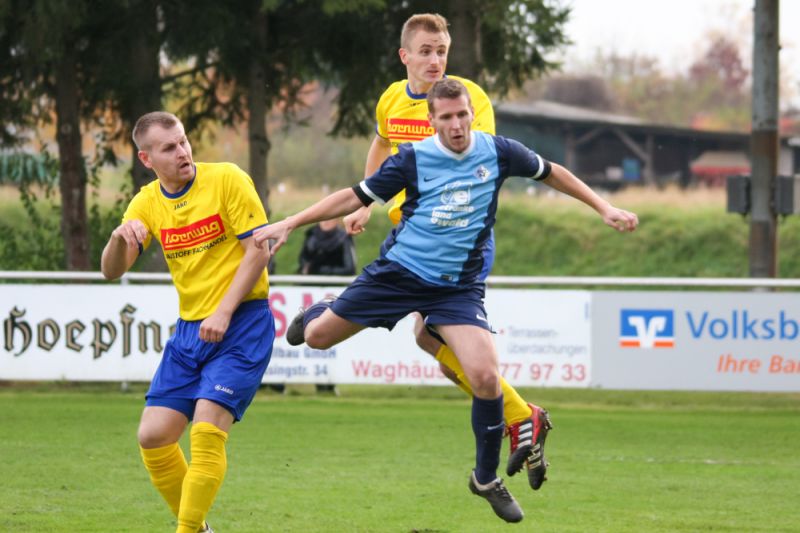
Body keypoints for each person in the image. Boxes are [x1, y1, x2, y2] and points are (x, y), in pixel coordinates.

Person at [252, 79, 639, 522]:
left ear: (472, 114)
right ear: (431, 120)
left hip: (457, 287)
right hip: (399, 274)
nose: (456, 125)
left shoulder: (499, 151)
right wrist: (291, 221)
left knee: (485, 377)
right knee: (317, 338)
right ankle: (322, 308)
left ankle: (485, 479)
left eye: (462, 115)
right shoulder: (413, 160)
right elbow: (354, 195)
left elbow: (552, 172)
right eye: (447, 117)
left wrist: (604, 207)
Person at [343, 12, 552, 490]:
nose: (435, 60)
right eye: (426, 52)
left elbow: (481, 162)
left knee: (430, 335)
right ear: (405, 56)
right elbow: (381, 145)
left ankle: (521, 416)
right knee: (431, 345)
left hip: (456, 239)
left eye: (441, 52)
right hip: (409, 234)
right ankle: (523, 416)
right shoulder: (391, 99)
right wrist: (367, 203)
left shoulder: (467, 100)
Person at [101, 111, 275, 533]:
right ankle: (199, 529)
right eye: (169, 147)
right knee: (153, 436)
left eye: (183, 141)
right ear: (147, 159)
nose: (182, 151)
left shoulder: (227, 179)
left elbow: (259, 250)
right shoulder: (147, 202)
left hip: (243, 324)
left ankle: (186, 530)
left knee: (206, 430)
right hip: (190, 331)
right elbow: (112, 270)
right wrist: (118, 239)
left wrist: (224, 310)